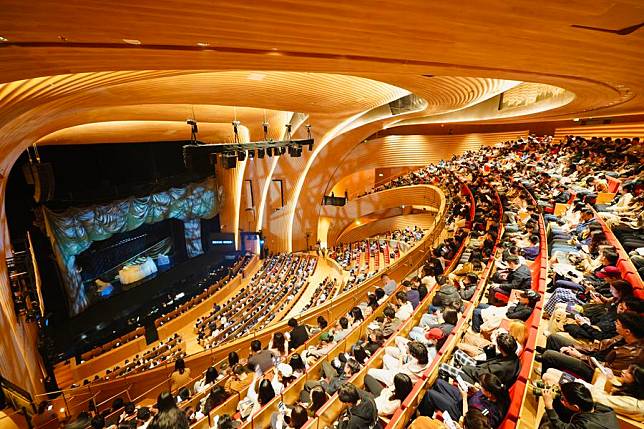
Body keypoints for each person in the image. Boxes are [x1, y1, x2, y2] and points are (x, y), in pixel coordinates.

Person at [537, 312, 644, 382]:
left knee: (549, 355)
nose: (615, 324)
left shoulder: (633, 354)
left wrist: (580, 356)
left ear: (627, 331)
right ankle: (546, 368)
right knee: (554, 338)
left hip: (594, 370)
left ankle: (544, 381)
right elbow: (598, 346)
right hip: (590, 358)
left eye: (618, 323)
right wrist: (575, 348)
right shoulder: (622, 336)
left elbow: (607, 369)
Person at [419, 373, 510, 429]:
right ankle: (431, 405)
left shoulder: (491, 413)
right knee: (439, 382)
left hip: (462, 413)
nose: (479, 387)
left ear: (489, 393)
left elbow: (470, 420)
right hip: (466, 399)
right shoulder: (495, 393)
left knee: (430, 394)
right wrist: (474, 389)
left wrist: (465, 398)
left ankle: (423, 415)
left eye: (481, 387)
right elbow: (481, 394)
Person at [541, 382, 619, 429]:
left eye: (563, 398)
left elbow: (564, 428)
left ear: (576, 407)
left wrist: (549, 406)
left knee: (546, 427)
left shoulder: (586, 425)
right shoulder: (597, 406)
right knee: (547, 416)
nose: (561, 400)